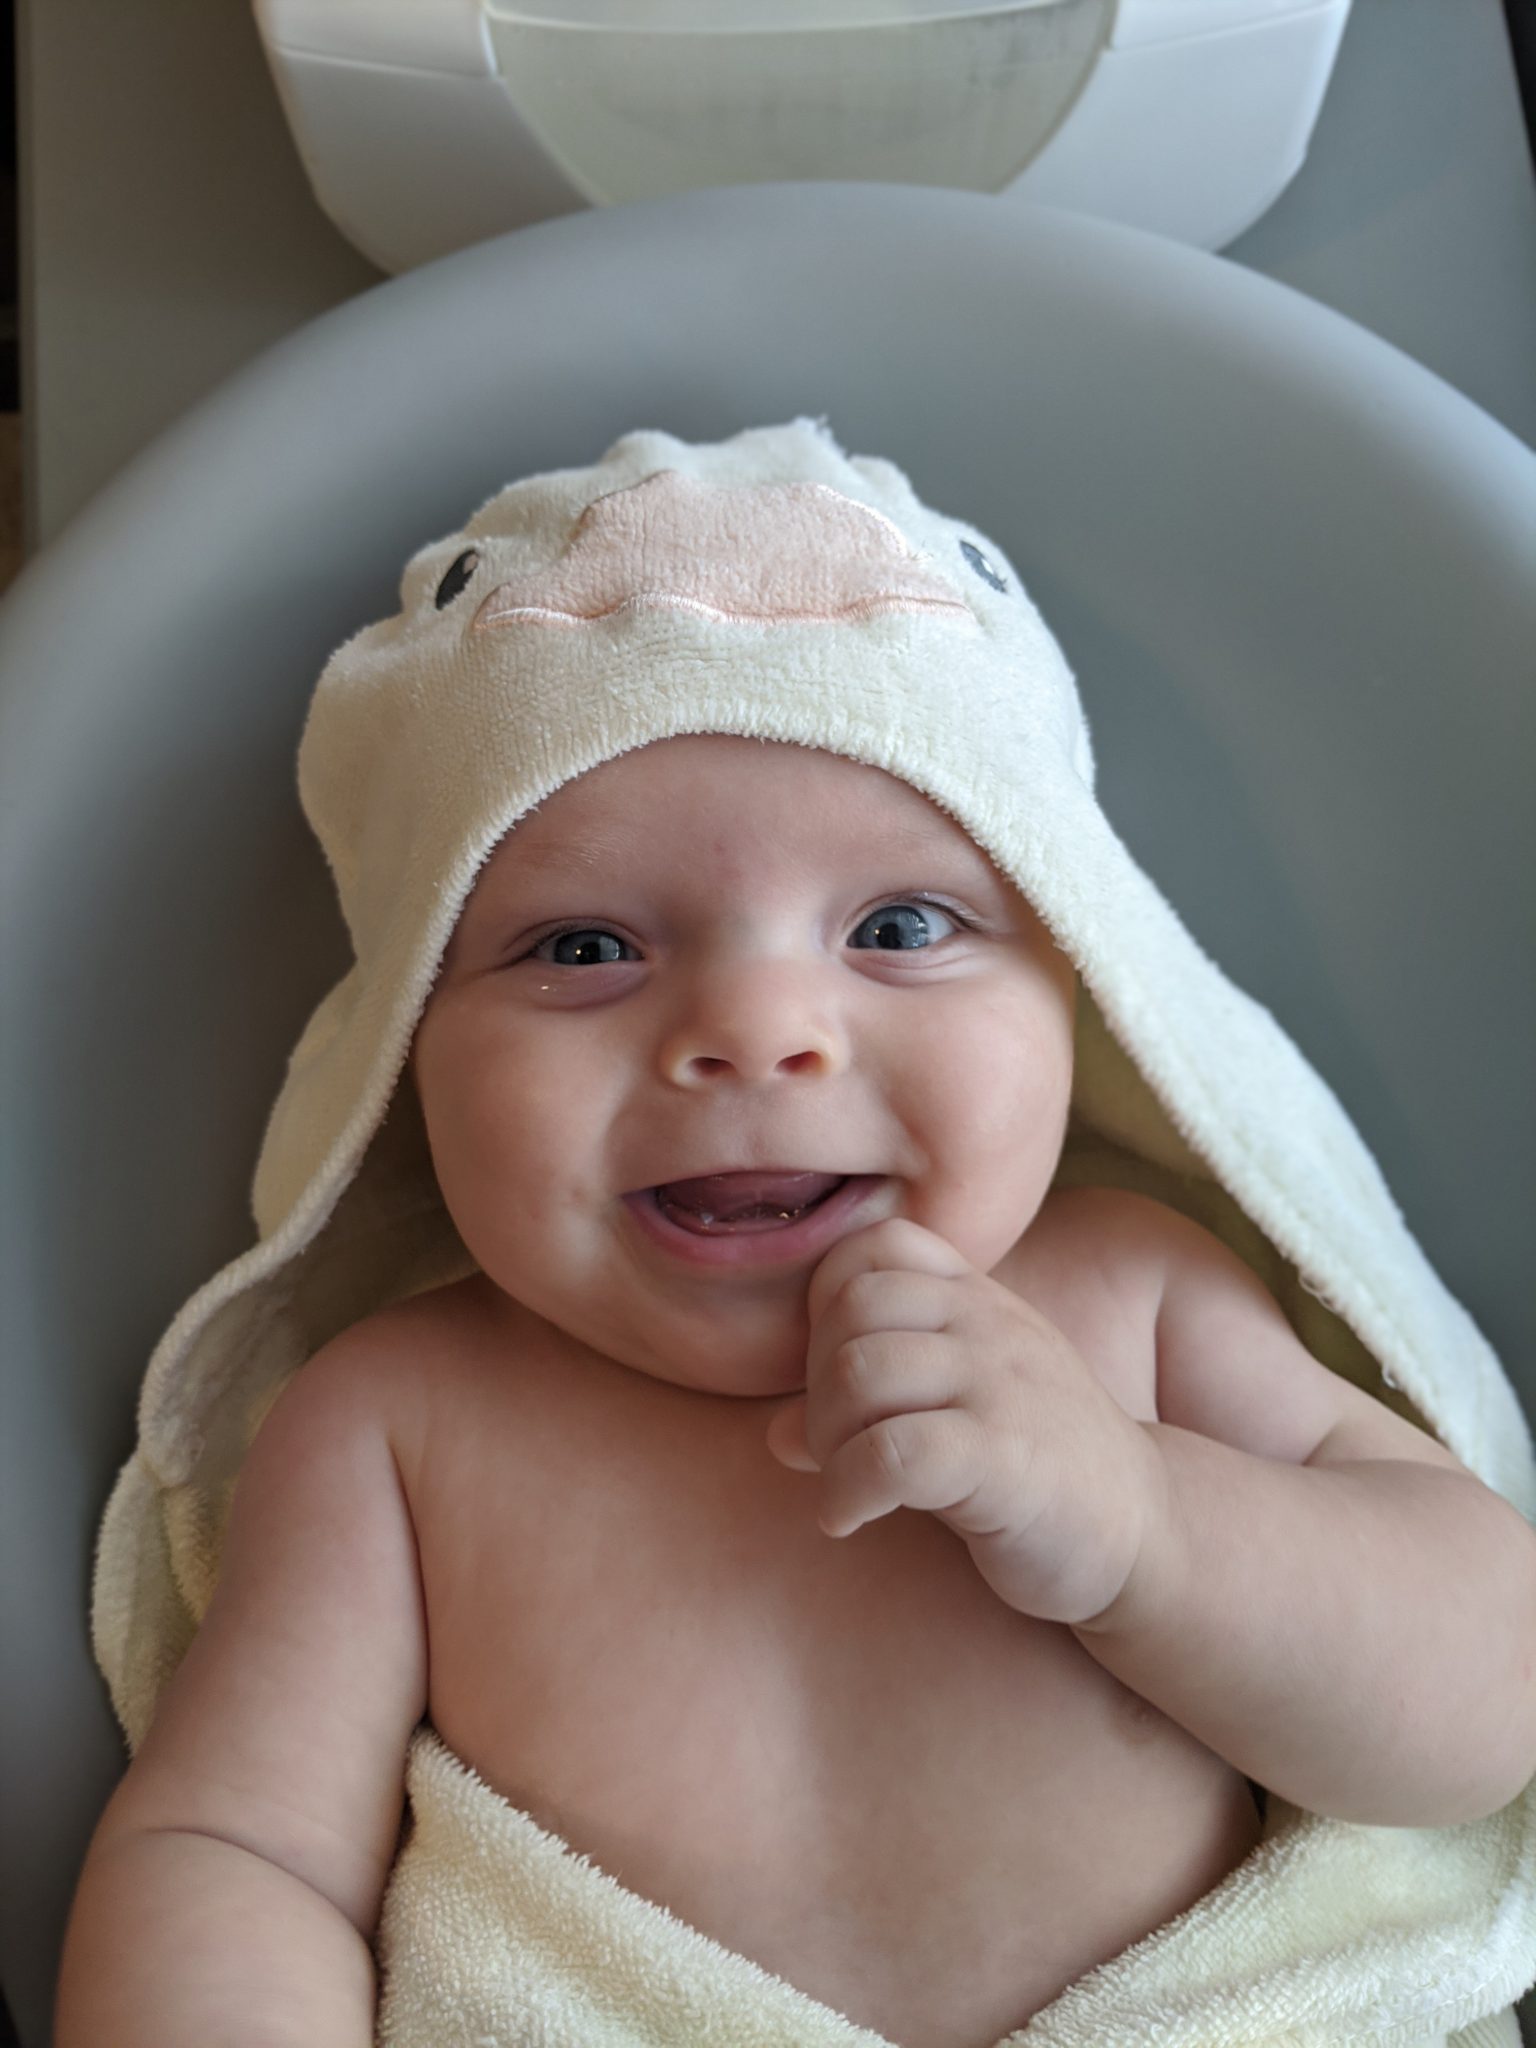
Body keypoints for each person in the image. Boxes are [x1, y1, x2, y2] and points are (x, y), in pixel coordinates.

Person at [55, 421, 1536, 2048]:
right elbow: (242, 1849)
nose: (757, 1034)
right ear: (411, 1043)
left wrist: (1143, 1522)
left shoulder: (1136, 1304)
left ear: (1083, 986)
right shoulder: (393, 1425)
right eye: (586, 947)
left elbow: (1484, 1709)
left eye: (899, 926)